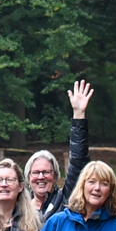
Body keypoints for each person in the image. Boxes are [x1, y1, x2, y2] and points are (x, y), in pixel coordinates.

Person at [27, 81, 94, 218]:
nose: (41, 177)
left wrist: (78, 115)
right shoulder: (19, 206)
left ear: (56, 176)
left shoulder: (65, 200)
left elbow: (78, 160)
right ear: (28, 177)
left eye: (46, 172)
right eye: (36, 172)